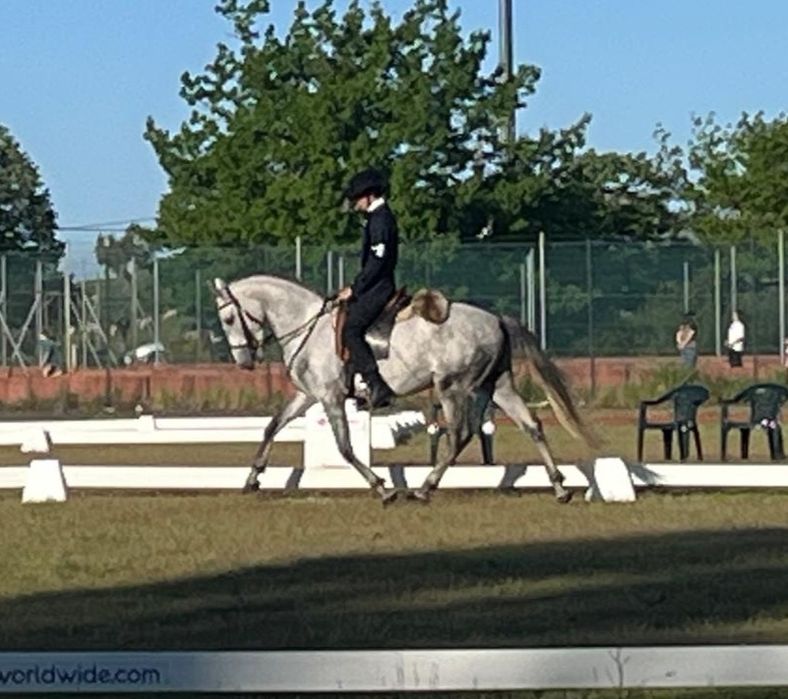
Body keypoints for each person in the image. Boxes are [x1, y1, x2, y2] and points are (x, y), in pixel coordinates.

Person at [336, 168, 399, 409]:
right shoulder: (375, 218)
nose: (355, 204)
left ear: (369, 195)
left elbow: (377, 262)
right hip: (373, 285)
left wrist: (355, 288)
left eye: (357, 199)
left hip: (378, 288)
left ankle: (376, 384)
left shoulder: (381, 219)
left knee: (351, 329)